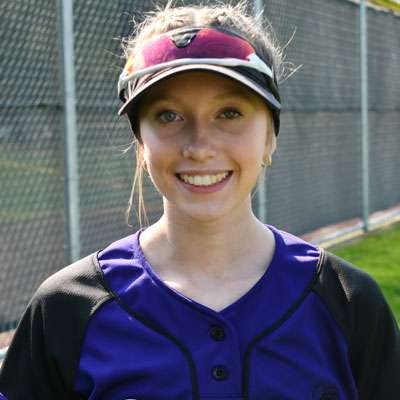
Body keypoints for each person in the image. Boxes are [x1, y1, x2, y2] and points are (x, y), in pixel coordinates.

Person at [0, 1, 399, 399]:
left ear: (270, 137)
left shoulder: (346, 302)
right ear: (141, 143)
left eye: (229, 113)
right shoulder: (68, 308)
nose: (200, 146)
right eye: (168, 116)